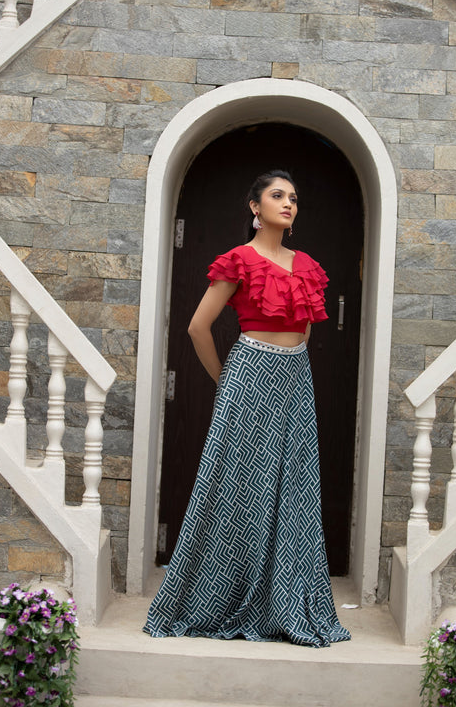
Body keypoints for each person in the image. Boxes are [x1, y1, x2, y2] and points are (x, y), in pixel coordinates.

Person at [143, 170, 351, 647]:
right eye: (277, 196)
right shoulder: (239, 261)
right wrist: (227, 382)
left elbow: (306, 332)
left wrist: (293, 370)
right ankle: (213, 598)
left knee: (295, 490)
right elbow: (198, 328)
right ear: (254, 207)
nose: (288, 203)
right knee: (239, 489)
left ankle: (284, 603)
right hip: (250, 373)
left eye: (294, 198)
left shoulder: (309, 267)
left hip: (296, 378)